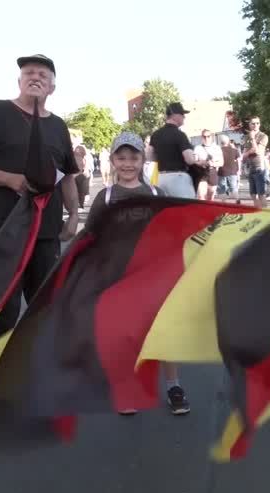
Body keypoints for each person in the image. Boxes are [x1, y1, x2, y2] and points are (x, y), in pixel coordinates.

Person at [0, 53, 81, 344]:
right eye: (29, 72)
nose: (35, 77)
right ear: (19, 81)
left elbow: (67, 177)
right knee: (2, 310)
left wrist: (74, 214)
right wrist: (9, 179)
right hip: (5, 230)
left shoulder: (58, 126)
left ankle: (36, 365)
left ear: (52, 87)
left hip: (47, 231)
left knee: (45, 307)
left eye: (43, 74)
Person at [88, 132, 191, 414]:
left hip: (153, 278)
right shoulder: (106, 197)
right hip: (119, 279)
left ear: (142, 160)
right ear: (112, 161)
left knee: (162, 332)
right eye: (121, 158)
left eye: (133, 157)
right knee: (126, 336)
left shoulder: (156, 194)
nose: (127, 163)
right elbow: (92, 236)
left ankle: (174, 386)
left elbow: (172, 230)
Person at [148, 102, 209, 198]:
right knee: (186, 206)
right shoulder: (180, 135)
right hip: (178, 179)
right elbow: (189, 160)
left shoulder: (155, 134)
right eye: (182, 114)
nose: (184, 117)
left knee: (166, 207)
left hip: (161, 178)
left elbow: (149, 156)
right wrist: (200, 162)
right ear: (175, 115)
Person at [242, 116, 269, 208]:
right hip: (250, 168)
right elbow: (244, 155)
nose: (255, 125)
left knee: (261, 194)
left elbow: (257, 151)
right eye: (253, 123)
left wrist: (253, 138)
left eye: (257, 123)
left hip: (259, 168)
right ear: (249, 125)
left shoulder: (263, 136)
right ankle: (258, 211)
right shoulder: (246, 137)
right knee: (253, 195)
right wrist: (250, 151)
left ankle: (265, 213)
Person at [193, 129, 224, 201]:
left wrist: (212, 163)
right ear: (202, 137)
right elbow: (194, 161)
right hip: (201, 173)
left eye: (208, 136)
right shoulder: (198, 148)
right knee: (201, 197)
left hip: (212, 172)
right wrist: (202, 162)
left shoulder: (217, 148)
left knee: (210, 198)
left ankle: (209, 208)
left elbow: (221, 163)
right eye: (204, 137)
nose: (206, 138)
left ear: (211, 137)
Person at [217, 134, 241, 200]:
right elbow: (238, 160)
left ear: (220, 142)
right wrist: (239, 170)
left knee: (222, 189)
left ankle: (223, 203)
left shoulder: (218, 150)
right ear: (228, 142)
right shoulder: (234, 150)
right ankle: (237, 200)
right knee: (233, 188)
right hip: (233, 171)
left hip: (222, 172)